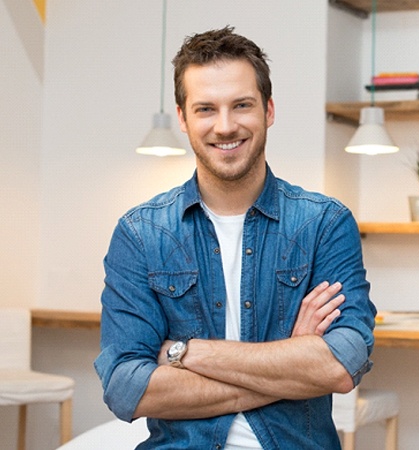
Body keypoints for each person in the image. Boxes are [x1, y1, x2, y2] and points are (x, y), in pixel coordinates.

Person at [95, 26, 376, 450]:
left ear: (269, 110)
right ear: (184, 119)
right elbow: (125, 388)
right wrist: (292, 359)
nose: (225, 126)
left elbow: (340, 364)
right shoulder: (140, 234)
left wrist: (185, 353)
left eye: (241, 105)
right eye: (206, 109)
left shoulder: (324, 223)